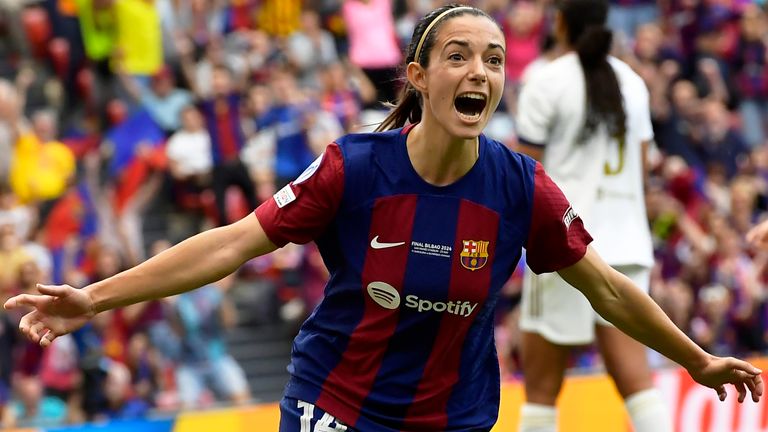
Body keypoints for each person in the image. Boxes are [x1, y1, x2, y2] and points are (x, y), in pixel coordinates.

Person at [2, 5, 763, 432]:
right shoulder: (353, 167)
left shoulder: (520, 188)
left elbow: (607, 289)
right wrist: (93, 299)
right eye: (459, 56)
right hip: (339, 404)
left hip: (453, 418)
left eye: (494, 60)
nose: (480, 73)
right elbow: (232, 244)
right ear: (418, 76)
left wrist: (695, 358)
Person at [514, 1, 672, 431]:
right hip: (628, 244)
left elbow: (526, 174)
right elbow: (643, 169)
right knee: (636, 380)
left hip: (565, 245)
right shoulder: (634, 84)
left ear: (560, 22)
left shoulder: (544, 80)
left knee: (542, 391)